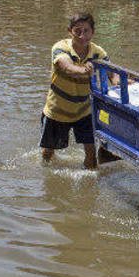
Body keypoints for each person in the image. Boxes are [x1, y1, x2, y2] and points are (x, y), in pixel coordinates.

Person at [41, 13, 110, 169]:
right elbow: (67, 67)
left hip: (84, 110)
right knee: (47, 154)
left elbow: (114, 77)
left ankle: (91, 186)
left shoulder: (98, 53)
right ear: (69, 31)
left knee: (92, 156)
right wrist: (84, 70)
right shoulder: (60, 48)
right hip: (57, 110)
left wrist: (132, 84)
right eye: (77, 31)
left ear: (93, 32)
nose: (82, 35)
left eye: (86, 31)